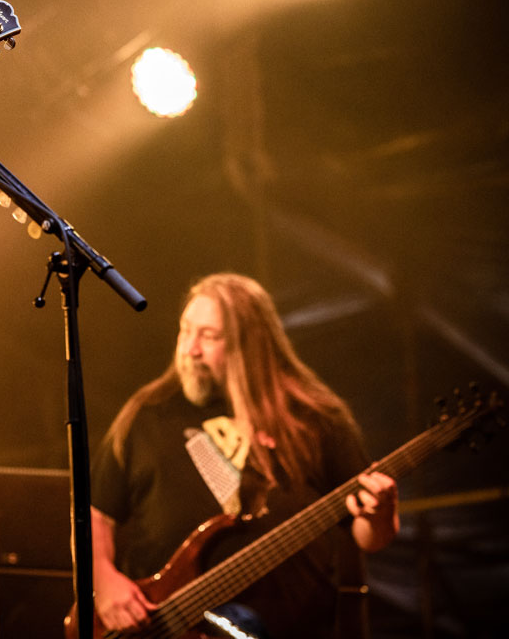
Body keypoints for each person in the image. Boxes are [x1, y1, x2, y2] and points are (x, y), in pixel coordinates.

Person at [90, 273, 399, 639]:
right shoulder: (147, 414)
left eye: (208, 336)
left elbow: (369, 537)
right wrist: (103, 579)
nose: (190, 348)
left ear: (249, 344)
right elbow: (96, 515)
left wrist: (381, 513)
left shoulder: (315, 420)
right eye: (185, 330)